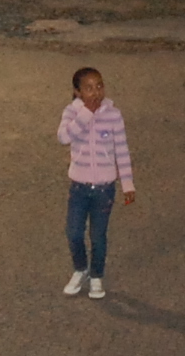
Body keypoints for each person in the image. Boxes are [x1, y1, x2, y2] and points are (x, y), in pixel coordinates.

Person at [56, 66, 135, 299]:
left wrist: (127, 184)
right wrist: (85, 115)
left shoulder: (113, 115)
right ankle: (80, 269)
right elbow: (63, 137)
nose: (96, 92)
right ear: (78, 92)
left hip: (104, 189)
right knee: (74, 232)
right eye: (89, 88)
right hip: (79, 187)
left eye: (99, 86)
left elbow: (121, 150)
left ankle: (96, 276)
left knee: (98, 236)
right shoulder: (72, 112)